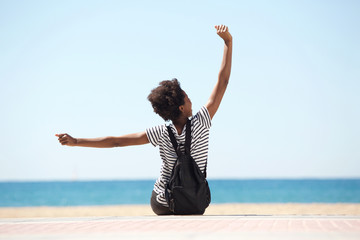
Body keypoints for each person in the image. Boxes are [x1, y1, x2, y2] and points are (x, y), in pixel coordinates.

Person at [56, 25, 233, 215]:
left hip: (164, 203)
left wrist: (76, 142)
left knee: (160, 194)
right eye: (187, 97)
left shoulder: (160, 132)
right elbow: (223, 81)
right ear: (181, 107)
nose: (191, 100)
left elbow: (115, 141)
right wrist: (227, 42)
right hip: (195, 202)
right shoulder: (201, 122)